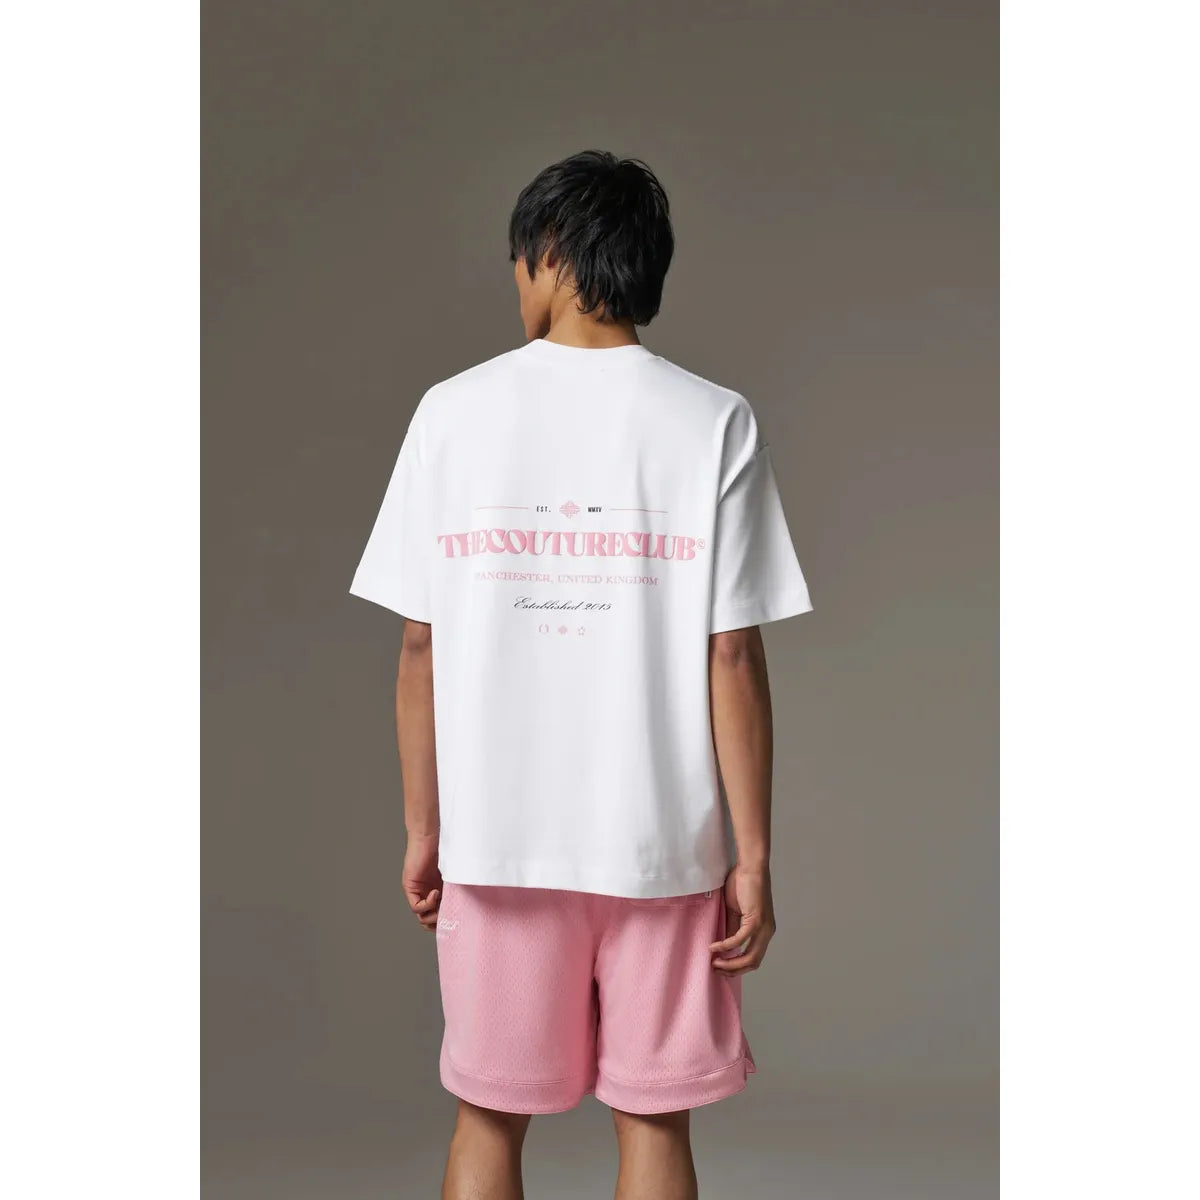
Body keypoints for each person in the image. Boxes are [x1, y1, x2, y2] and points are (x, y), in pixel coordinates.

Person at [349, 149, 812, 1200]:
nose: (515, 284)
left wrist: (425, 831)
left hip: (496, 844)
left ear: (552, 256)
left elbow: (420, 645)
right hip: (663, 850)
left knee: (487, 1118)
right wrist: (751, 859)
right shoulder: (713, 420)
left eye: (518, 262)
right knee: (655, 1121)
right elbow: (732, 654)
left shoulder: (451, 412)